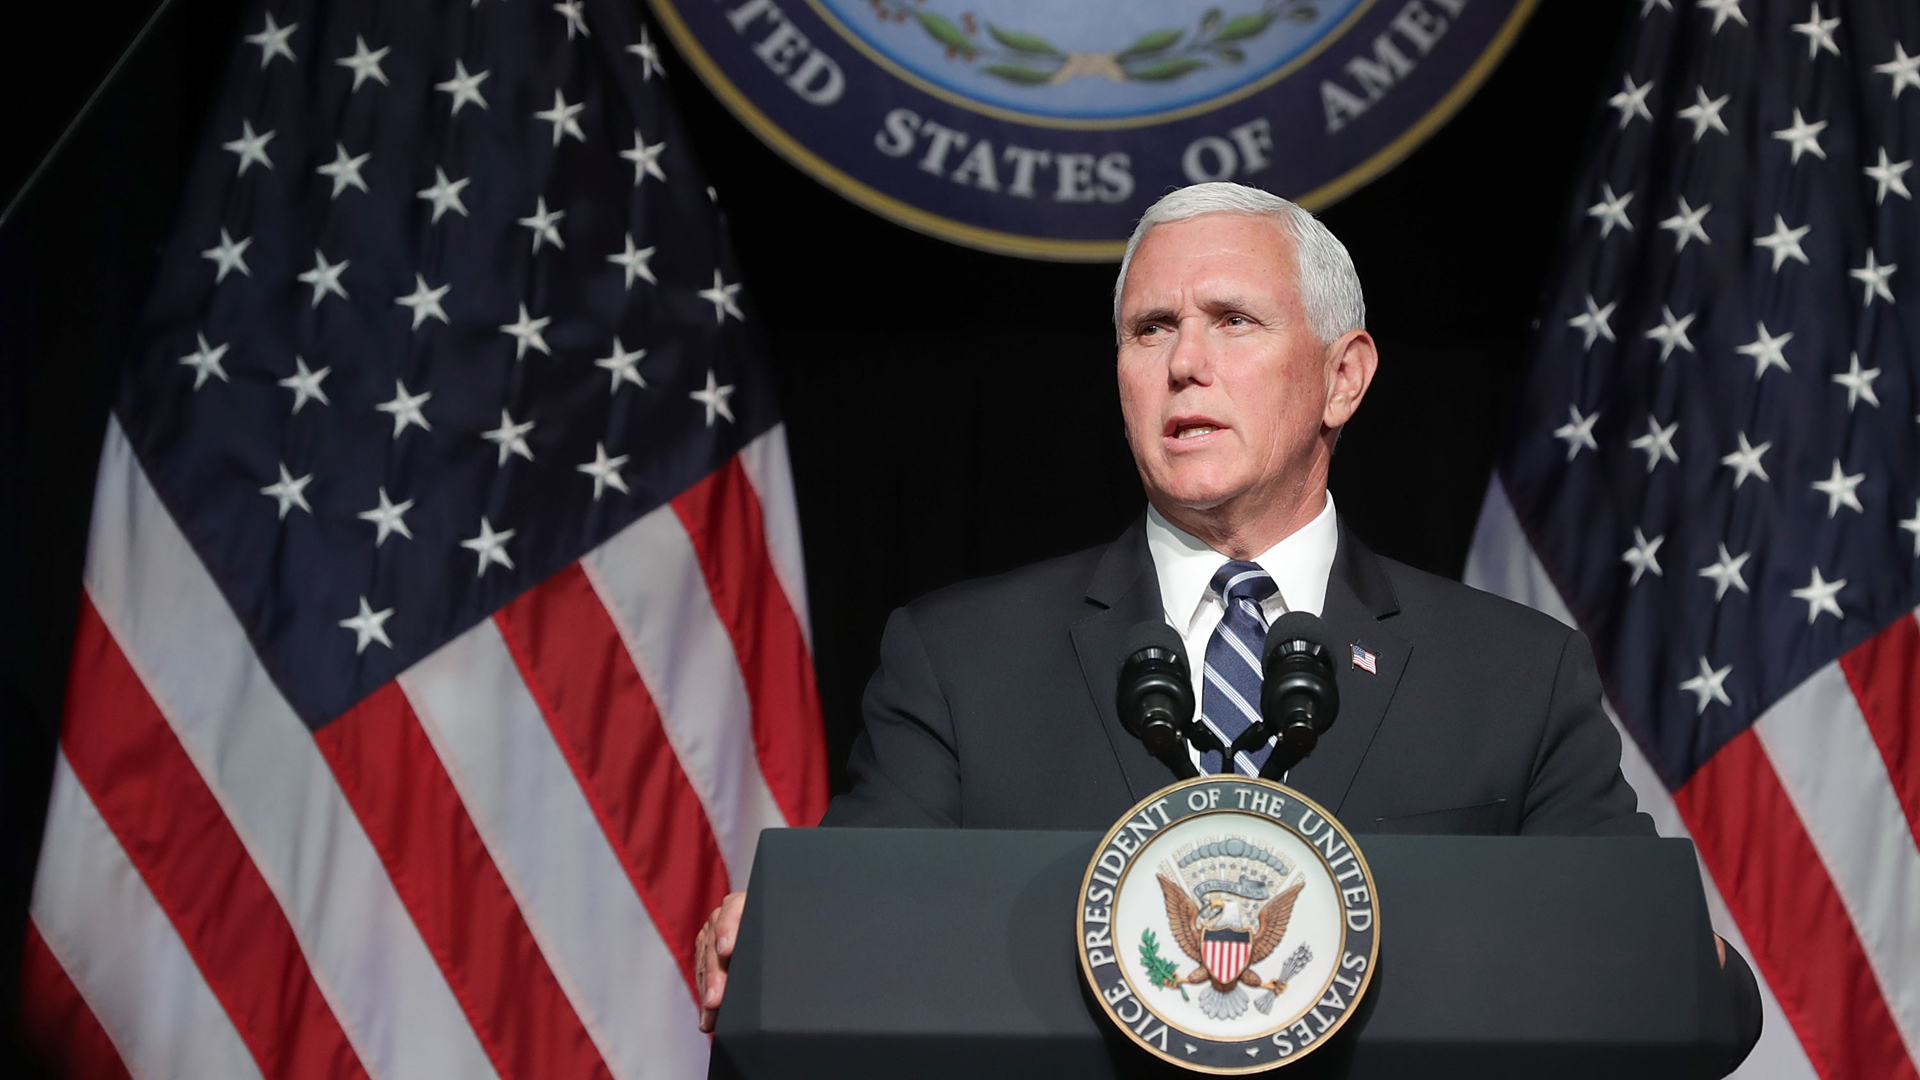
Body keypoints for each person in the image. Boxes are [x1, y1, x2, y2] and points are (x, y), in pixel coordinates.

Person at [693, 184, 1759, 1066]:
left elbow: (1676, 989)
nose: (1184, 363)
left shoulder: (1513, 673)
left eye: (1233, 321)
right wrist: (785, 938)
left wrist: (1676, 961)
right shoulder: (961, 660)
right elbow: (854, 954)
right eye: (1151, 328)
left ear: (1344, 376)